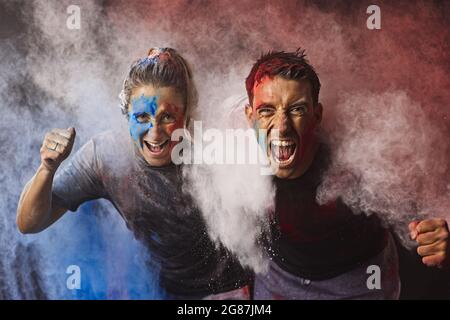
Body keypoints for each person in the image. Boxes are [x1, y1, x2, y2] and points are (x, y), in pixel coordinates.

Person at [16, 47, 250, 299]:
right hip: (165, 291)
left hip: (236, 290)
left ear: (187, 114)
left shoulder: (215, 146)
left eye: (167, 116)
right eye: (142, 116)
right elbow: (29, 222)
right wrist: (47, 168)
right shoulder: (106, 155)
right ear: (125, 114)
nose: (155, 131)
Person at [244, 49, 449, 299]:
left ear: (316, 115)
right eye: (267, 111)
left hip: (359, 284)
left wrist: (439, 238)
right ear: (249, 115)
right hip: (278, 280)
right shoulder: (232, 152)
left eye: (297, 110)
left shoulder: (358, 160)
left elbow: (429, 214)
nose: (282, 127)